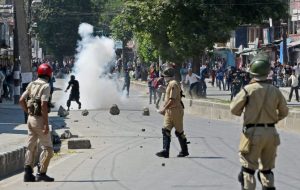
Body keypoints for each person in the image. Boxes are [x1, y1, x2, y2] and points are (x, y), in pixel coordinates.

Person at [230, 53, 288, 190]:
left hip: (252, 133)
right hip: (271, 133)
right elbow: (284, 112)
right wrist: (273, 119)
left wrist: (244, 113)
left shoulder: (248, 90)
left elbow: (233, 109)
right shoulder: (275, 90)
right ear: (267, 72)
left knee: (248, 170)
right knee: (266, 170)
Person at [19, 63, 55, 182]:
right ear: (49, 74)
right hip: (39, 119)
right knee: (48, 149)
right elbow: (43, 105)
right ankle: (41, 172)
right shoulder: (46, 86)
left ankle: (28, 173)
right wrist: (45, 123)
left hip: (30, 119)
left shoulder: (31, 83)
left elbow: (21, 100)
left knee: (31, 146)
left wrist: (28, 112)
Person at [156, 67, 189, 158]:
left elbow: (172, 100)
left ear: (168, 76)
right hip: (169, 111)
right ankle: (165, 151)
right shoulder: (170, 84)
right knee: (165, 130)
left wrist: (163, 109)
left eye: (165, 76)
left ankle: (184, 150)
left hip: (175, 110)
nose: (164, 78)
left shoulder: (173, 84)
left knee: (179, 132)